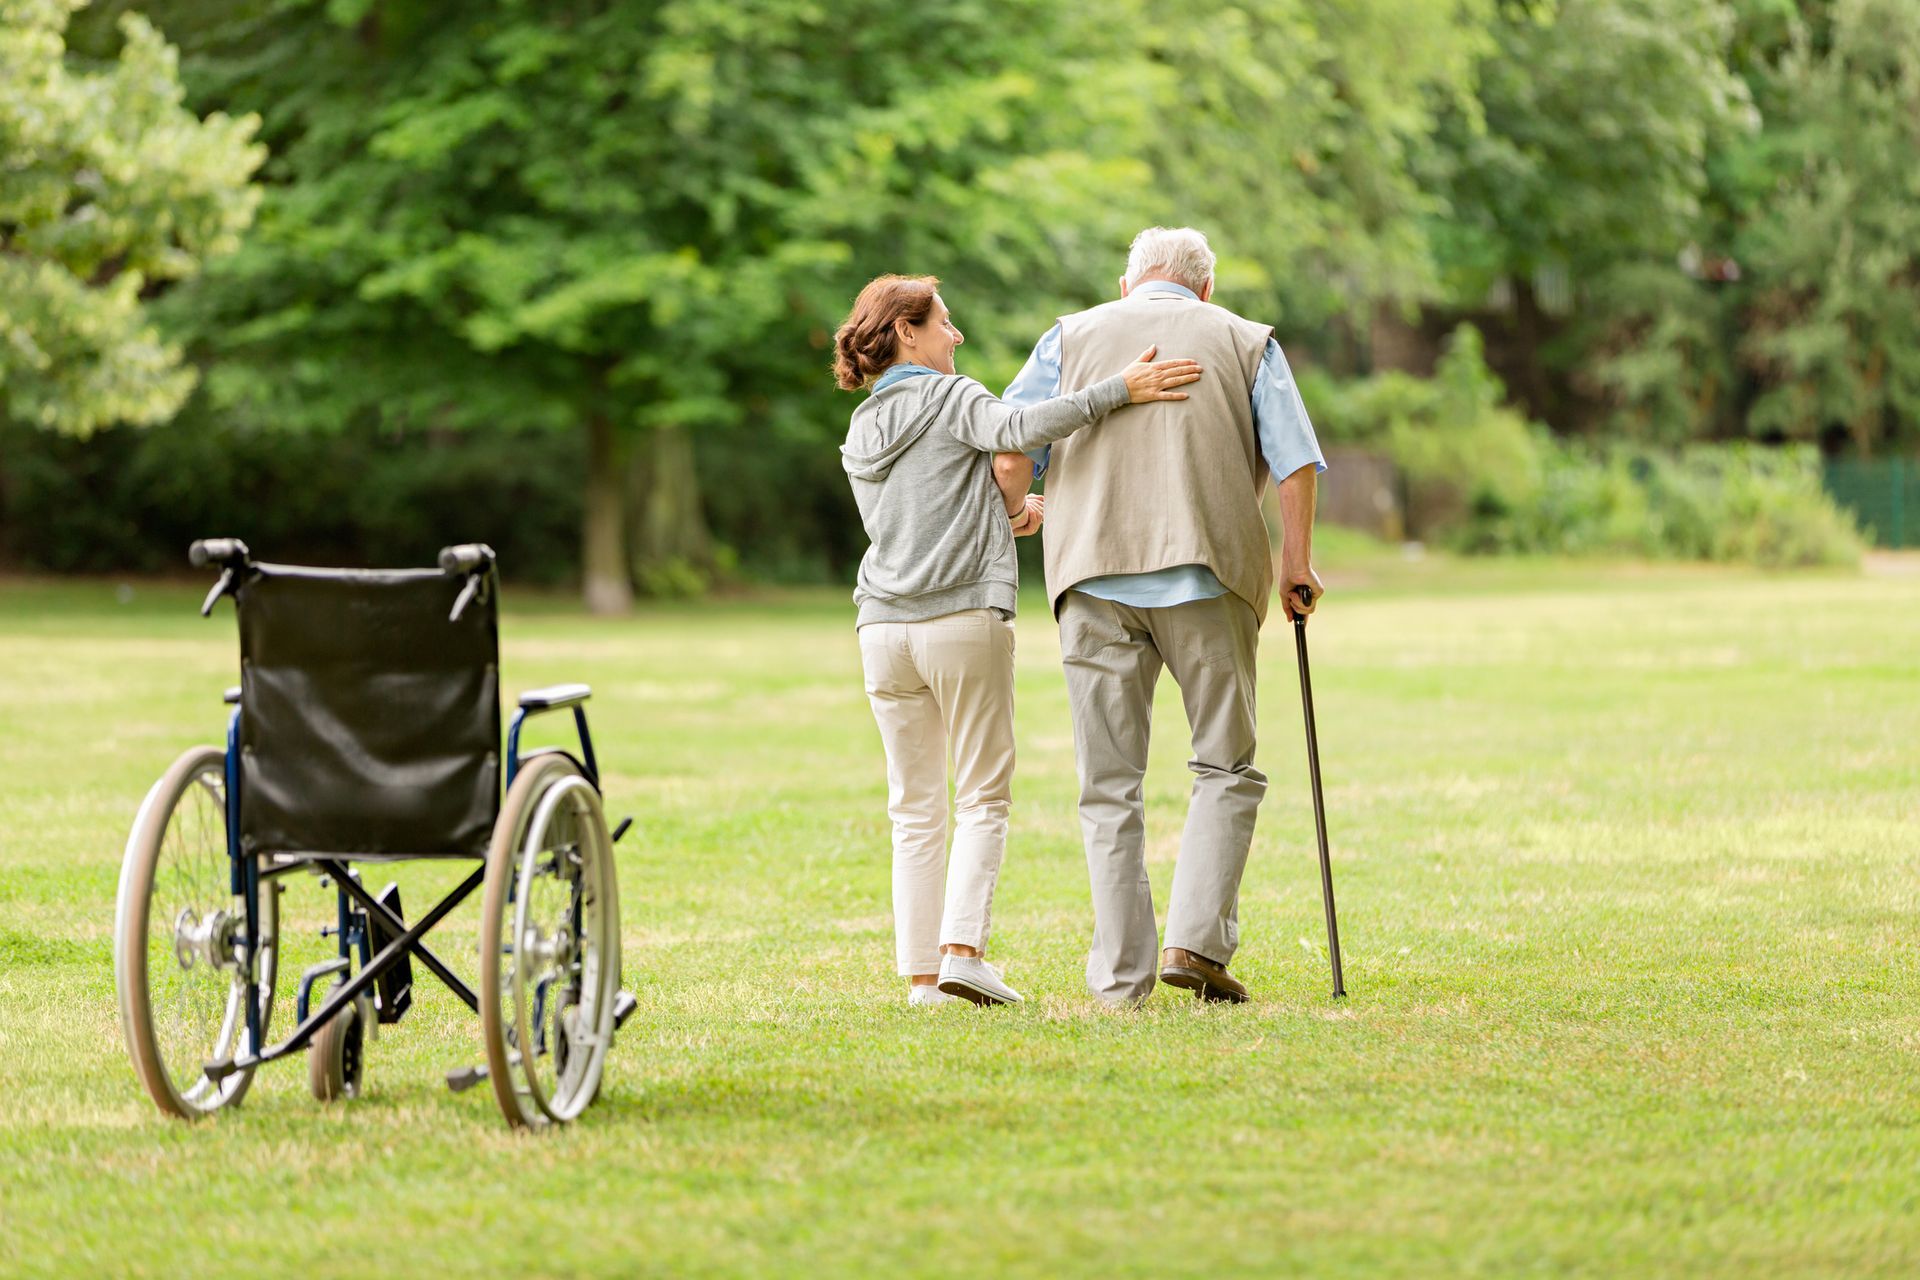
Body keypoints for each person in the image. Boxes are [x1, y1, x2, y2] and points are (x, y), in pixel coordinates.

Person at [834, 273, 1202, 1007]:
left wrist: (1006, 513)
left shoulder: (862, 426)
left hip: (881, 628)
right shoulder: (952, 395)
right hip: (961, 620)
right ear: (907, 332)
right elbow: (1020, 432)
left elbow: (923, 513)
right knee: (982, 796)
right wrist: (1118, 390)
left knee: (913, 806)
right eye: (944, 321)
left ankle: (920, 978)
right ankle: (963, 951)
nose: (956, 335)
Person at [1003, 227, 1326, 1006]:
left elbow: (1010, 450)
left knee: (1108, 785)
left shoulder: (1068, 336)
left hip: (1091, 578)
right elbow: (1296, 461)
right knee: (1225, 764)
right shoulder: (1248, 341)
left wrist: (1020, 508)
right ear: (1205, 290)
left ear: (1126, 286)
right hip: (1209, 576)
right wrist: (1295, 565)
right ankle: (1194, 945)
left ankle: (1120, 981)